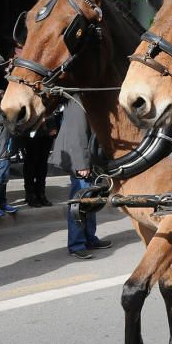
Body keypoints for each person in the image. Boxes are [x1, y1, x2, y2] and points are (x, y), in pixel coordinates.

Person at [49, 101, 111, 259]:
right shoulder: (78, 99)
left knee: (90, 200)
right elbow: (77, 134)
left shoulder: (84, 95)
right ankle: (77, 244)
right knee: (80, 202)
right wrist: (81, 163)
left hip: (90, 158)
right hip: (80, 159)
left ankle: (89, 238)